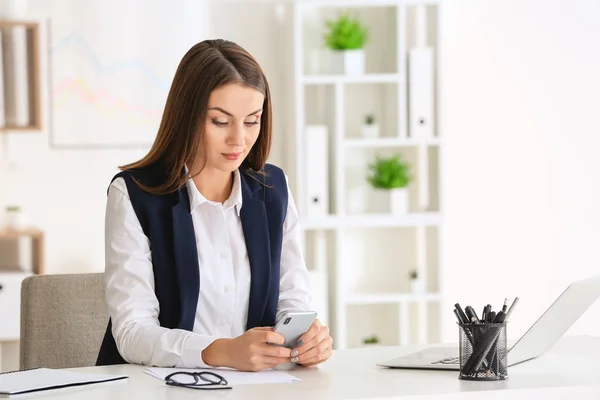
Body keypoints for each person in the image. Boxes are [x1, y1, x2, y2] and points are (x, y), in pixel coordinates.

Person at [96, 39, 333, 372]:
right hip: (154, 388)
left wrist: (307, 339)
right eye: (220, 122)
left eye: (252, 121)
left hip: (255, 389)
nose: (239, 140)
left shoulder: (273, 189)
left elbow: (292, 301)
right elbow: (132, 332)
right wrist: (220, 352)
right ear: (186, 116)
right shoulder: (135, 194)